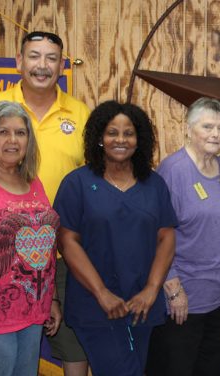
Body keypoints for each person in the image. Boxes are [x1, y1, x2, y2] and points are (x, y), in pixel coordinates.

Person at [0, 31, 91, 376]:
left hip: (52, 266)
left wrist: (49, 294)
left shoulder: (79, 115)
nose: (42, 65)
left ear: (62, 66)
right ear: (19, 61)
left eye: (51, 58)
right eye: (34, 56)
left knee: (61, 349)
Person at [54, 101, 176, 376]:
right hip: (95, 307)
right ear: (99, 137)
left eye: (128, 133)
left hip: (142, 306)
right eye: (112, 132)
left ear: (139, 139)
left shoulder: (154, 185)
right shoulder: (77, 184)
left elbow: (167, 237)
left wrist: (152, 290)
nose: (120, 139)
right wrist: (102, 293)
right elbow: (67, 241)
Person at [0, 101, 61, 375]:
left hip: (31, 313)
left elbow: (45, 246)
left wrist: (52, 298)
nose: (12, 140)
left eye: (20, 133)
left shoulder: (33, 183)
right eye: (3, 132)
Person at [146, 97, 220, 375]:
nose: (215, 134)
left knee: (210, 369)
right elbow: (157, 235)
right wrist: (174, 290)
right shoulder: (173, 171)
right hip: (183, 300)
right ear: (188, 129)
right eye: (207, 126)